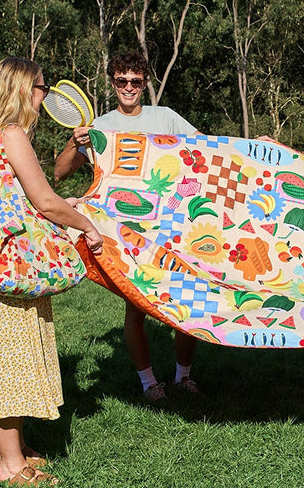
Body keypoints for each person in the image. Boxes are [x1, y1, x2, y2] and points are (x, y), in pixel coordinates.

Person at [0, 57, 104, 486]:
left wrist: (64, 205)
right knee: (6, 358)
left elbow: (16, 198)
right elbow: (44, 200)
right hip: (5, 250)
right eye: (42, 87)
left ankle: (12, 449)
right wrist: (86, 225)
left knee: (10, 352)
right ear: (25, 89)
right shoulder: (14, 134)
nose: (46, 96)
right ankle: (11, 467)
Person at [54, 50, 201, 403]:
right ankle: (149, 384)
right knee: (136, 308)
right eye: (122, 80)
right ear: (113, 82)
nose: (129, 87)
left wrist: (253, 147)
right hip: (125, 233)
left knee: (189, 302)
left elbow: (207, 150)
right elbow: (59, 173)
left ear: (145, 82)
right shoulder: (100, 127)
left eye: (136, 80)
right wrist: (75, 143)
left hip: (172, 225)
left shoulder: (166, 118)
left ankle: (183, 377)